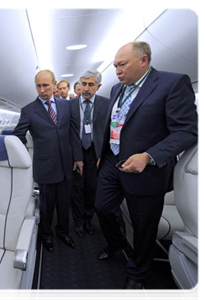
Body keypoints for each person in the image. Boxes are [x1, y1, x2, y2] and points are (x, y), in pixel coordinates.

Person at [94, 41, 200, 299]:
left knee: (144, 226)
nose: (117, 70)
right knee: (102, 207)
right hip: (112, 160)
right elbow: (114, 124)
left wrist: (149, 156)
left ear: (143, 61)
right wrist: (103, 153)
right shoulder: (117, 87)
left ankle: (138, 273)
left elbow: (187, 131)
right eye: (115, 65)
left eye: (122, 64)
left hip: (146, 168)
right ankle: (118, 242)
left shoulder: (172, 83)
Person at [13, 70, 83, 252]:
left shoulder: (67, 106)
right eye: (39, 86)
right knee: (47, 205)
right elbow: (17, 136)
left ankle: (63, 232)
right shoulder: (28, 110)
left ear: (54, 84)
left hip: (66, 163)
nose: (42, 90)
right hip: (45, 165)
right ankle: (46, 235)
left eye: (46, 85)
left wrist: (78, 158)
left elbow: (73, 133)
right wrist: (27, 157)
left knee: (64, 202)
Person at [69, 70, 109, 237]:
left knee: (92, 189)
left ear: (98, 86)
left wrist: (103, 154)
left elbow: (109, 131)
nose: (86, 88)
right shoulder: (69, 106)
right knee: (77, 189)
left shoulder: (106, 104)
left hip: (95, 153)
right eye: (83, 84)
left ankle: (88, 220)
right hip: (76, 152)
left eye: (90, 84)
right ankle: (78, 221)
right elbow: (69, 133)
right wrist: (77, 157)